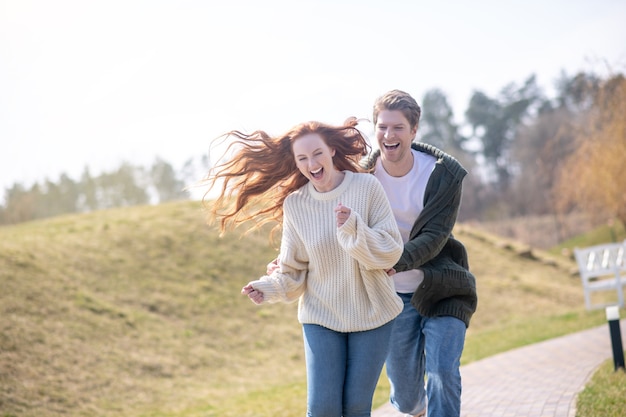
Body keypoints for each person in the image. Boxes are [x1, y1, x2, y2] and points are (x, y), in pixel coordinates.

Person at [203, 120, 404, 417]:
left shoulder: (366, 187)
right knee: (323, 408)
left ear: (332, 150)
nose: (312, 163)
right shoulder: (296, 204)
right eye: (302, 158)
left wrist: (354, 228)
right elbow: (293, 270)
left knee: (355, 408)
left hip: (372, 314)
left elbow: (390, 251)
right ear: (296, 163)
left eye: (317, 153)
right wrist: (268, 287)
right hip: (321, 316)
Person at [360, 90, 478, 417]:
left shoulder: (443, 174)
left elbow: (434, 237)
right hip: (391, 297)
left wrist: (392, 261)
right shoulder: (361, 178)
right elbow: (335, 227)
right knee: (409, 398)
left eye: (398, 127)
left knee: (441, 371)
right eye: (382, 127)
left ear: (414, 130)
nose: (389, 135)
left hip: (442, 289)